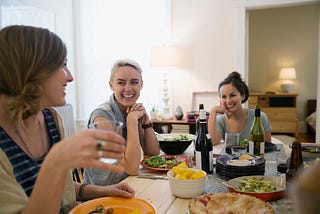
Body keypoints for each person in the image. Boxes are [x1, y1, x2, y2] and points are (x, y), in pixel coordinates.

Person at [0, 25, 135, 214]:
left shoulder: (52, 119)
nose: (70, 77)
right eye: (62, 65)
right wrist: (56, 161)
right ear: (31, 70)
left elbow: (62, 189)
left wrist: (103, 191)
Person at [83, 59, 160, 186]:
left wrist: (146, 123)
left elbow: (152, 154)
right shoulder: (102, 118)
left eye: (134, 82)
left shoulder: (131, 110)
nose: (128, 89)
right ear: (111, 85)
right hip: (102, 193)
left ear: (141, 84)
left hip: (126, 184)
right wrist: (131, 122)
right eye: (121, 83)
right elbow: (131, 168)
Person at [208, 71, 272, 146]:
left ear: (242, 96)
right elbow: (213, 142)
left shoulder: (260, 117)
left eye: (232, 95)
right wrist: (213, 111)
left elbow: (268, 147)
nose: (228, 101)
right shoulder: (220, 120)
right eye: (224, 97)